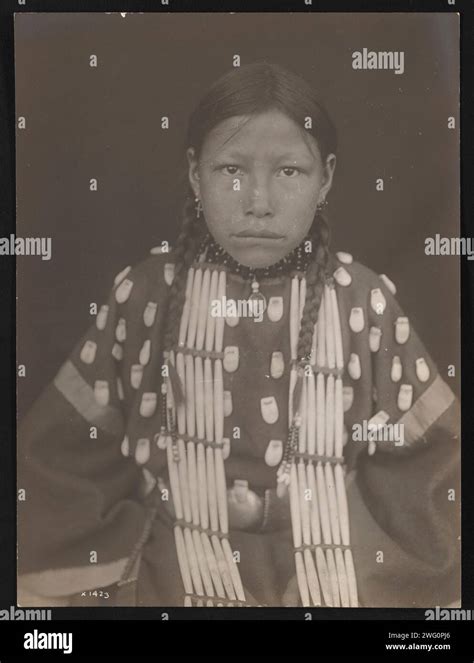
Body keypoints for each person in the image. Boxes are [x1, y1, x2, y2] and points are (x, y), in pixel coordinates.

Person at [17, 62, 460, 608]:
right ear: (193, 174)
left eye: (289, 172)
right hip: (172, 562)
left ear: (327, 178)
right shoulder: (148, 294)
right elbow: (63, 453)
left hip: (335, 558)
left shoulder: (362, 302)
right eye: (230, 169)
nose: (258, 201)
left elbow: (435, 462)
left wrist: (340, 533)